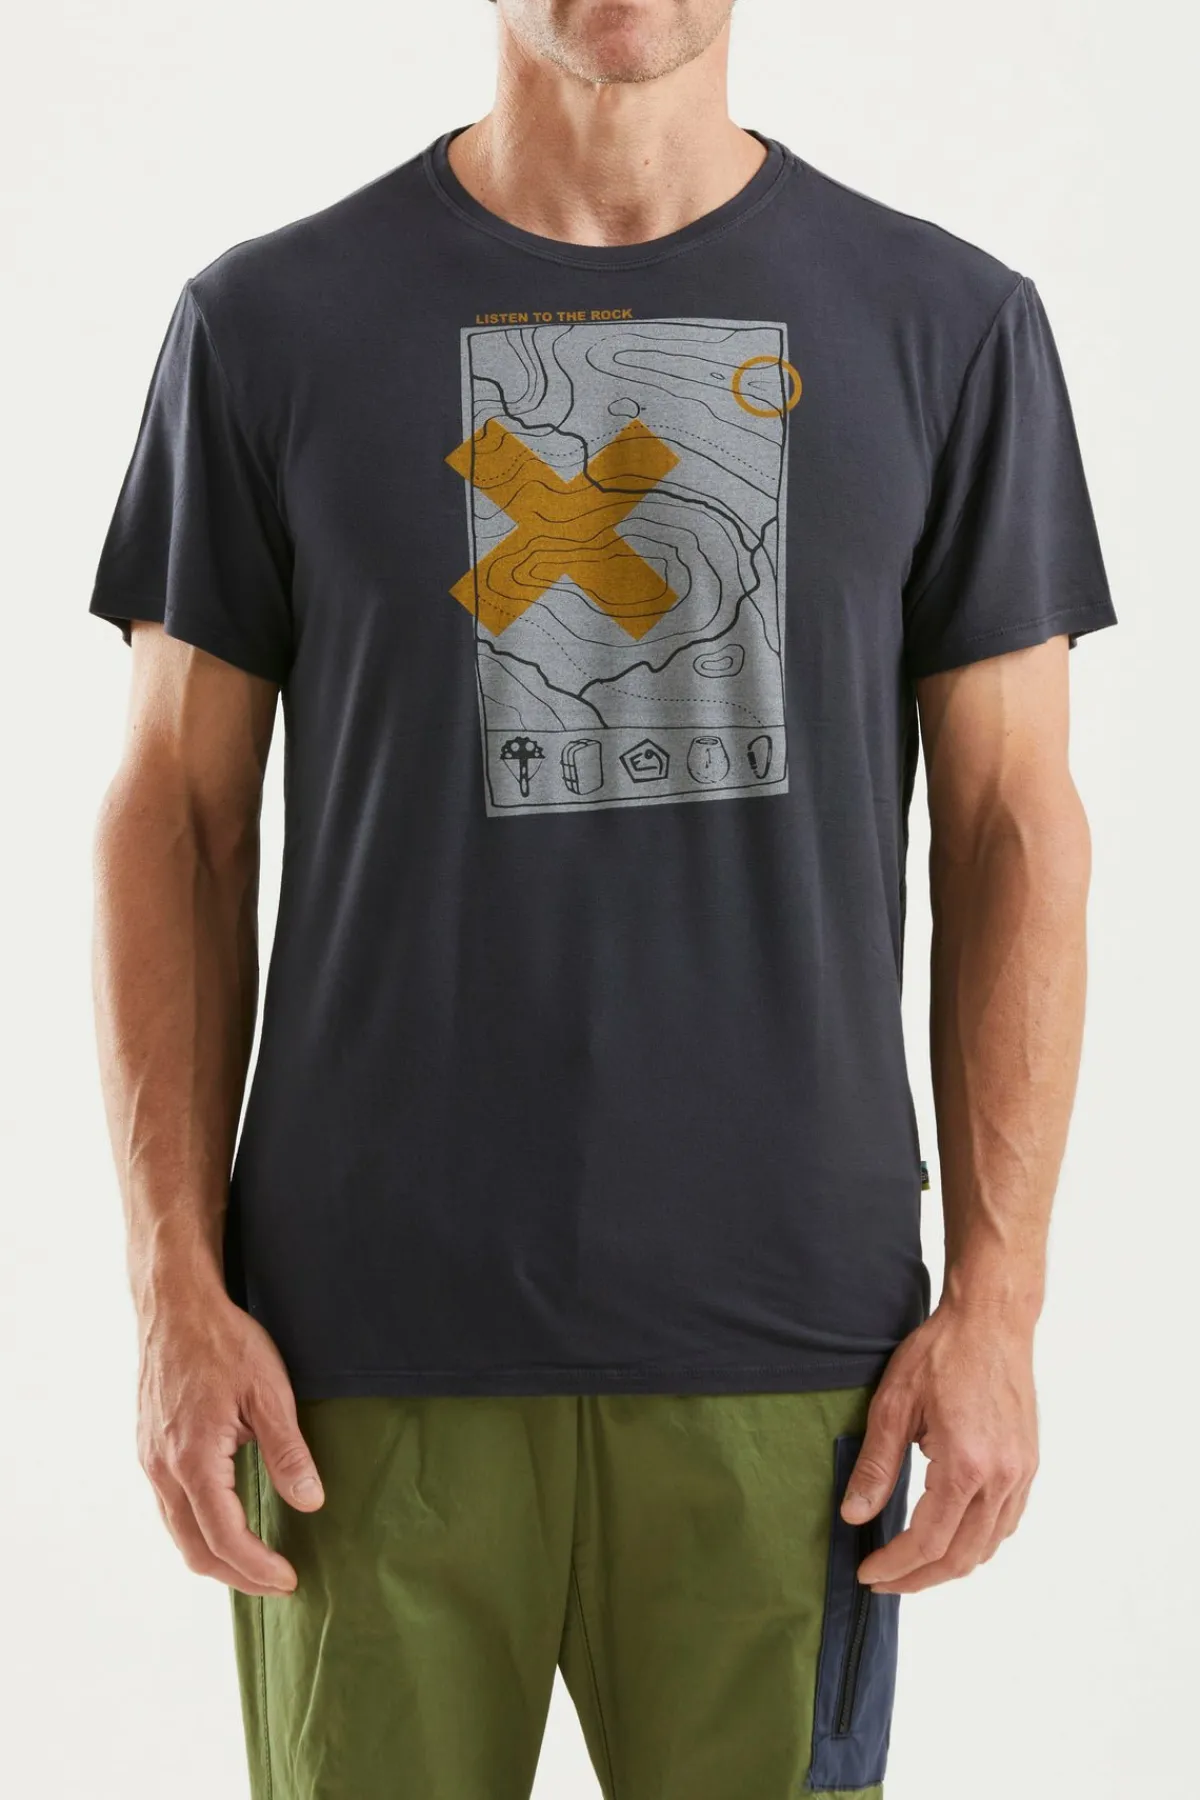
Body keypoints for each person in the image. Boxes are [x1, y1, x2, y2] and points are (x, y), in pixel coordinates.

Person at [89, 2, 1115, 1795]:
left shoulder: (948, 326)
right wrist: (173, 1283)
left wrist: (1002, 1304)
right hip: (355, 1364)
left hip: (795, 1361)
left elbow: (1013, 828)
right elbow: (174, 816)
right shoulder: (267, 325)